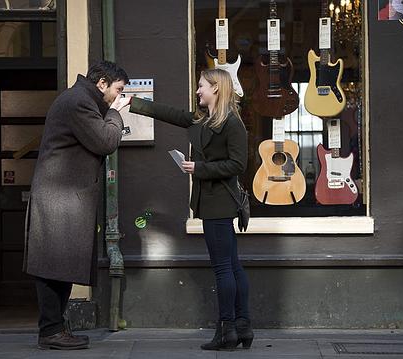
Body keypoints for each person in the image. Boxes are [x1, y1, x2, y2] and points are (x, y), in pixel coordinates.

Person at [129, 68, 253, 351]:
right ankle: (242, 327)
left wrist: (200, 168)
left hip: (220, 202)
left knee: (224, 268)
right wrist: (133, 103)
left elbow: (238, 165)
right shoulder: (202, 119)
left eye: (201, 87)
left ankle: (227, 331)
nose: (197, 91)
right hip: (211, 201)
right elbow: (172, 114)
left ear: (216, 89)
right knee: (232, 265)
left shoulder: (232, 123)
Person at [23, 61, 131, 350]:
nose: (118, 96)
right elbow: (105, 141)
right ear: (102, 83)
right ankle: (51, 331)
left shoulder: (79, 99)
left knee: (62, 265)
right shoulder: (80, 103)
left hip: (64, 197)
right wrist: (115, 114)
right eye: (117, 90)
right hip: (60, 198)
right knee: (51, 265)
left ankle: (55, 328)